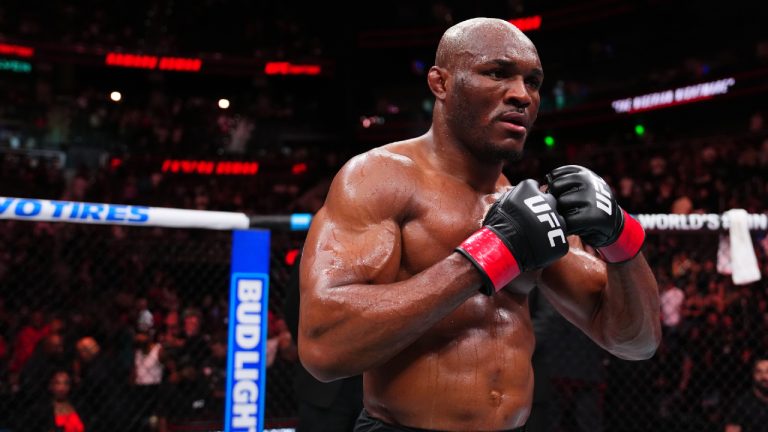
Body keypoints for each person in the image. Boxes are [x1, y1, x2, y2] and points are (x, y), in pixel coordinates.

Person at [299, 17, 660, 431]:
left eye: (533, 81)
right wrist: (485, 258)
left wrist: (621, 237)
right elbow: (323, 347)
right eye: (497, 73)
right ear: (441, 83)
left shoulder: (527, 207)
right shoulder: (381, 178)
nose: (521, 95)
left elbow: (636, 342)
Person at [724, 353, 768, 432]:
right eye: (759, 372)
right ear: (753, 375)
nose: (764, 377)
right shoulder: (742, 403)